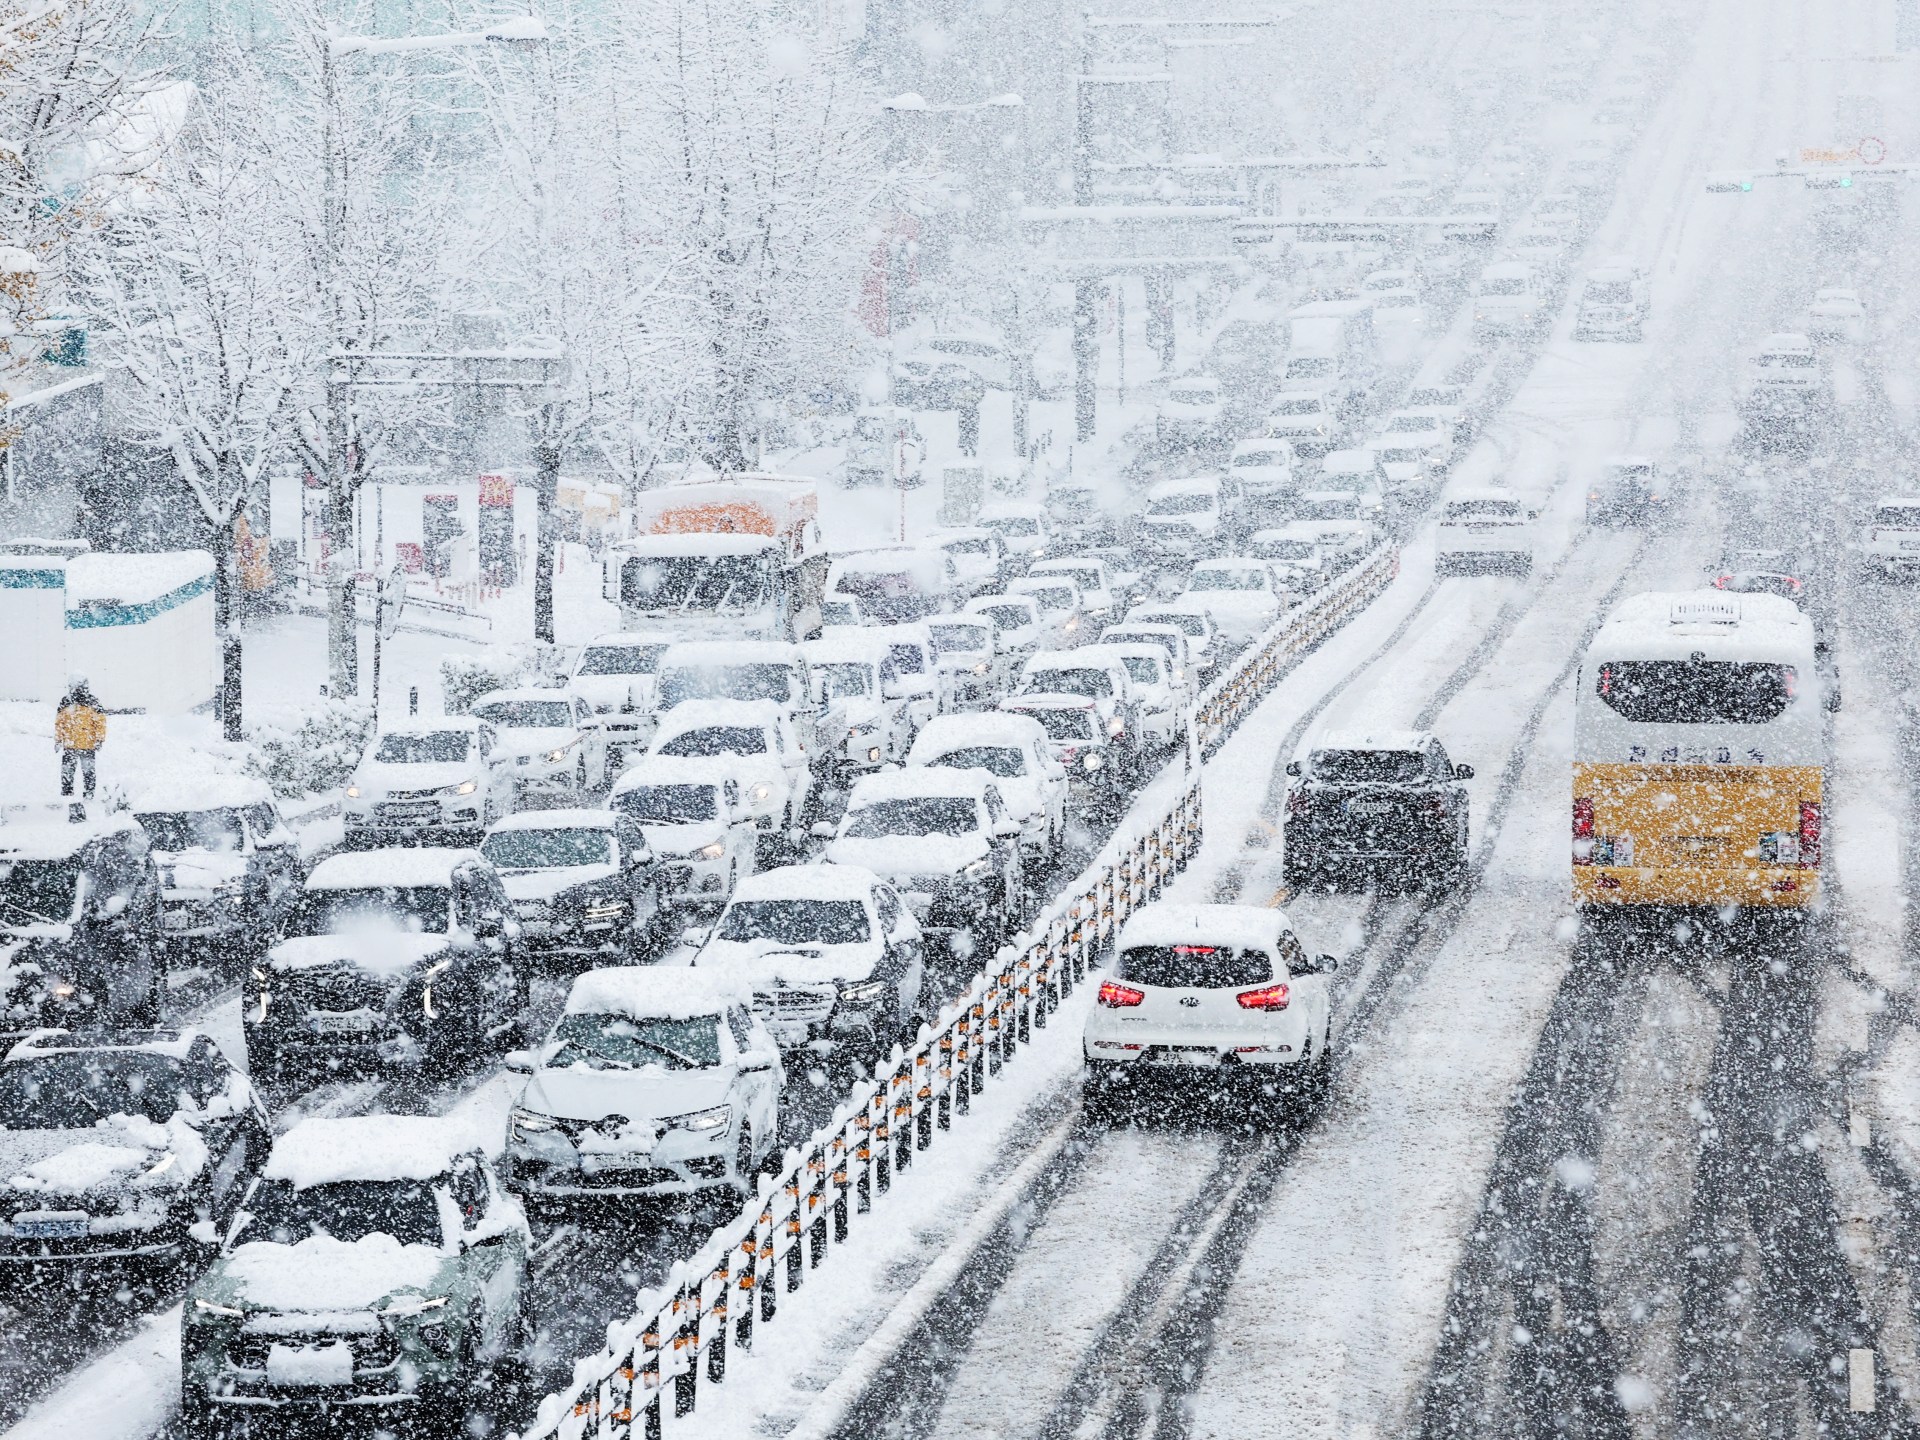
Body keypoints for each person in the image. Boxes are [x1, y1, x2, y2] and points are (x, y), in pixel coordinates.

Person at [55, 676, 106, 799]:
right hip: (70, 744)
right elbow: (60, 722)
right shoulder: (66, 701)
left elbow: (100, 722)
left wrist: (99, 739)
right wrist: (58, 739)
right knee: (67, 771)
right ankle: (67, 794)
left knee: (88, 772)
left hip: (87, 744)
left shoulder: (93, 702)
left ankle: (89, 794)